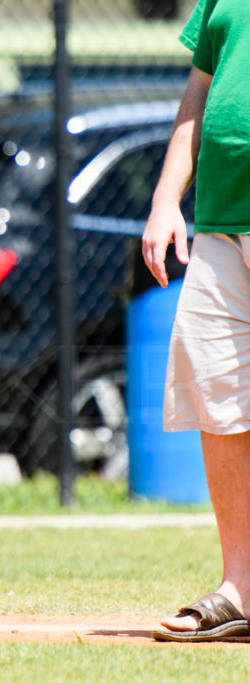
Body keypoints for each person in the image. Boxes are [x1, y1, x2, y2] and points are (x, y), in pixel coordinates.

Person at [143, 0, 250, 643]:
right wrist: (164, 200)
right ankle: (240, 587)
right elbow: (198, 96)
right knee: (219, 395)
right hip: (218, 219)